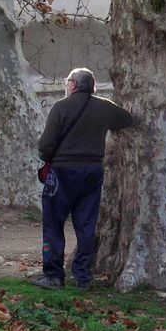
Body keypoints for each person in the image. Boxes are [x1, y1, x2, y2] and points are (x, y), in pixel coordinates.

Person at [31, 67, 137, 290]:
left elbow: (45, 145)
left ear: (73, 85)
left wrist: (47, 158)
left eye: (68, 81)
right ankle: (83, 277)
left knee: (53, 224)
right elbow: (127, 119)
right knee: (86, 225)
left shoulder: (61, 107)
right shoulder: (104, 107)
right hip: (92, 171)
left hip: (62, 172)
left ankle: (54, 275)